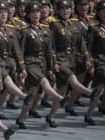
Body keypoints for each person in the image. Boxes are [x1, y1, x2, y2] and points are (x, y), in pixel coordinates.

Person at [15, 1, 68, 129]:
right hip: (30, 63)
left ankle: (20, 118)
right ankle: (59, 98)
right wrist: (21, 68)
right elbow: (19, 51)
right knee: (43, 81)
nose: (36, 15)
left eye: (38, 12)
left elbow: (50, 51)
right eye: (33, 12)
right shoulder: (24, 31)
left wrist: (50, 67)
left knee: (32, 94)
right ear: (27, 15)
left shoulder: (46, 30)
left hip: (42, 64)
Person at [46, 0, 95, 128]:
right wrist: (54, 62)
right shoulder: (54, 25)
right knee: (72, 79)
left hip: (71, 60)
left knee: (61, 92)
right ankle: (90, 93)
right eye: (63, 9)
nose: (66, 11)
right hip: (60, 61)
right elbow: (51, 46)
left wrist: (87, 58)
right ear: (58, 10)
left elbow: (82, 44)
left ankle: (50, 116)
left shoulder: (75, 24)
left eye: (68, 8)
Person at [0, 2, 28, 121]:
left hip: (9, 63)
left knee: (3, 92)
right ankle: (24, 96)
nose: (4, 15)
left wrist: (22, 68)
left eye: (5, 12)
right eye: (0, 13)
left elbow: (17, 50)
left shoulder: (11, 30)